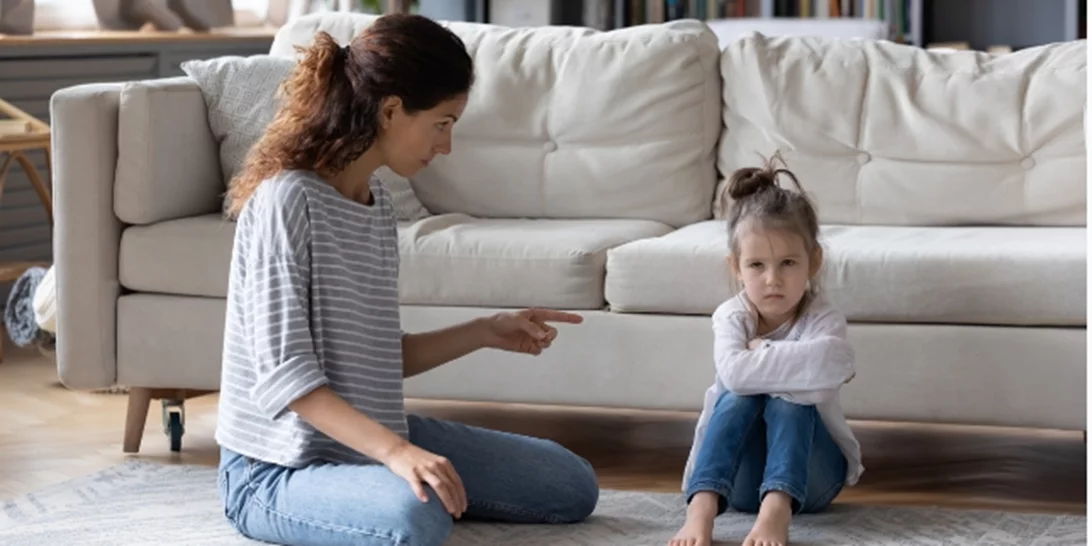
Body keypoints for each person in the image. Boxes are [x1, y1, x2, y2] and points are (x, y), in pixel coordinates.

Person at [215, 14, 599, 546]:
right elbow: (285, 378)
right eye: (442, 123)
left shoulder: (376, 207)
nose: (446, 145)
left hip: (363, 444)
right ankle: (379, 494)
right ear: (391, 110)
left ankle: (377, 490)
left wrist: (487, 330)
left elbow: (379, 356)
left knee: (569, 484)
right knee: (416, 517)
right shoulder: (287, 201)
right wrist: (397, 453)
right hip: (275, 471)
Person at [669, 154, 863, 546]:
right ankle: (701, 508)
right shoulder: (730, 316)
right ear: (736, 267)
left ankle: (776, 511)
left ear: (813, 261)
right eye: (756, 265)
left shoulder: (824, 319)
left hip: (812, 482)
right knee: (737, 395)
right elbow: (735, 374)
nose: (773, 279)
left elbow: (837, 365)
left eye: (788, 262)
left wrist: (760, 351)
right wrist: (795, 368)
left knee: (791, 401)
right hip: (737, 486)